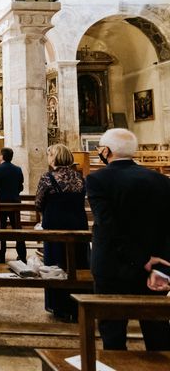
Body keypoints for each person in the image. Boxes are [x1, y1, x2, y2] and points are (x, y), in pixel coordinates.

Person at [87, 128, 170, 350]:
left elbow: (108, 226)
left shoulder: (97, 179)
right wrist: (162, 266)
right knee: (157, 331)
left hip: (113, 267)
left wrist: (140, 257)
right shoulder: (161, 180)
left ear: (106, 151)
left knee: (113, 332)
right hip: (153, 268)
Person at [35, 144, 89, 321]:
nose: (48, 158)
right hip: (77, 223)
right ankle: (78, 304)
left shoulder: (48, 178)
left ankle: (59, 305)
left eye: (50, 155)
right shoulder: (79, 177)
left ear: (55, 158)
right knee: (78, 261)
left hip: (55, 224)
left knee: (56, 263)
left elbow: (39, 203)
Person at [0, 147, 26, 263]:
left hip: (1, 204)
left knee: (1, 229)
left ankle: (1, 256)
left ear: (2, 156)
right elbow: (21, 186)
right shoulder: (17, 169)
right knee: (17, 230)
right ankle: (22, 255)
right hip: (15, 203)